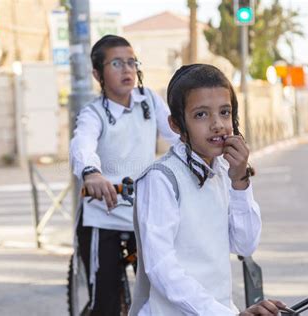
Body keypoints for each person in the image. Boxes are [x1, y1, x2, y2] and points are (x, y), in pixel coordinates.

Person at [130, 64, 287, 316]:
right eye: (201, 115)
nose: (217, 125)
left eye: (225, 112)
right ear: (176, 124)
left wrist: (240, 182)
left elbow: (245, 245)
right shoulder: (162, 179)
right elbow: (161, 267)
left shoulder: (224, 173)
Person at [69, 34, 178, 316]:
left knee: (163, 293)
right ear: (97, 73)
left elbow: (176, 137)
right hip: (101, 218)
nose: (127, 69)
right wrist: (91, 174)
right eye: (116, 63)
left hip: (142, 216)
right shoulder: (93, 113)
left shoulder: (149, 101)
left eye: (131, 62)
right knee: (104, 305)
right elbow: (83, 144)